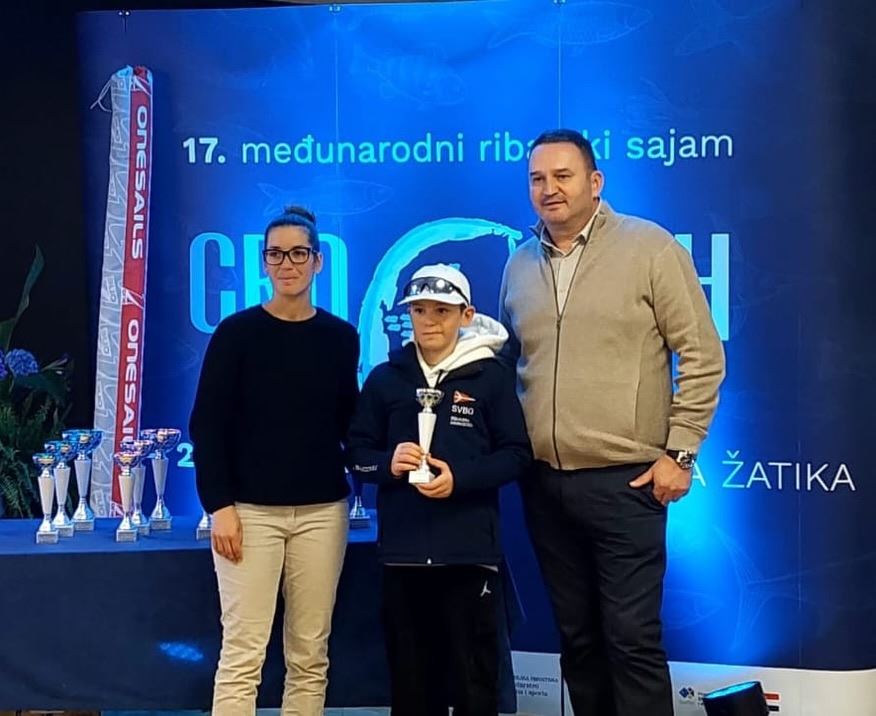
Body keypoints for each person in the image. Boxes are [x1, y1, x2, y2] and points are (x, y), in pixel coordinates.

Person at [498, 129, 726, 716]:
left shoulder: (650, 248)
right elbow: (508, 364)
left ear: (595, 182)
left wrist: (680, 453)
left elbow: (702, 354)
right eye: (537, 178)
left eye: (563, 176)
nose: (549, 189)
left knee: (631, 641)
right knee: (577, 642)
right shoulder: (518, 264)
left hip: (628, 482)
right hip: (544, 484)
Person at [189, 206, 359, 716]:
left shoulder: (341, 338)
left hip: (322, 514)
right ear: (263, 262)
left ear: (318, 261)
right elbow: (207, 425)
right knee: (243, 654)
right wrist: (219, 506)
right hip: (248, 515)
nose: (288, 264)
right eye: (277, 254)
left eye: (299, 253)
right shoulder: (235, 334)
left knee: (310, 655)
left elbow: (350, 424)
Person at [347, 263, 531, 716]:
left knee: (474, 685)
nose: (429, 321)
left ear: (466, 315)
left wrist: (460, 479)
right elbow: (357, 453)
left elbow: (516, 454)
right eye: (420, 310)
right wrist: (387, 464)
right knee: (411, 686)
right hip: (403, 555)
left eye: (442, 311)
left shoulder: (490, 378)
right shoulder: (385, 379)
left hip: (469, 554)